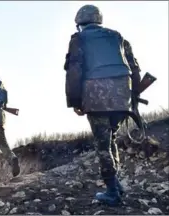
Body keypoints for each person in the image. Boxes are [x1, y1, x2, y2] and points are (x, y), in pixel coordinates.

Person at [63, 4, 142, 206]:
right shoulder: (117, 36)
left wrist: (74, 101)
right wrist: (132, 96)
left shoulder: (78, 39)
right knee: (111, 138)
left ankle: (112, 191)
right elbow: (134, 67)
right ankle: (116, 184)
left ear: (80, 23)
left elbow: (74, 71)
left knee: (103, 145)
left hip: (96, 97)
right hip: (122, 97)